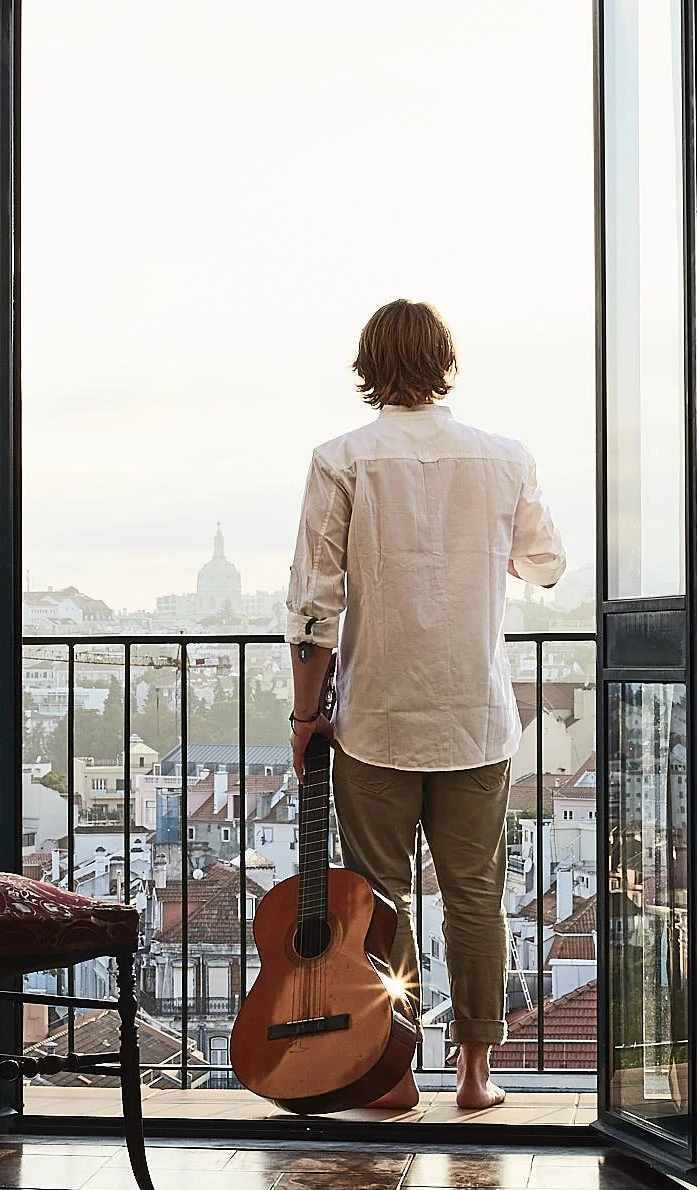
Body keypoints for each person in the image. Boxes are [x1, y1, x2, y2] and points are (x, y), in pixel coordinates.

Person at [284, 299, 566, 1111]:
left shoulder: (342, 459)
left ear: (369, 366)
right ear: (446, 363)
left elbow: (315, 605)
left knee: (379, 896)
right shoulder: (504, 458)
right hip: (476, 717)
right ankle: (475, 1075)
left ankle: (392, 1072)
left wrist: (308, 718)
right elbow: (546, 565)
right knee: (476, 893)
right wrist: (489, 557)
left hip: (376, 715)